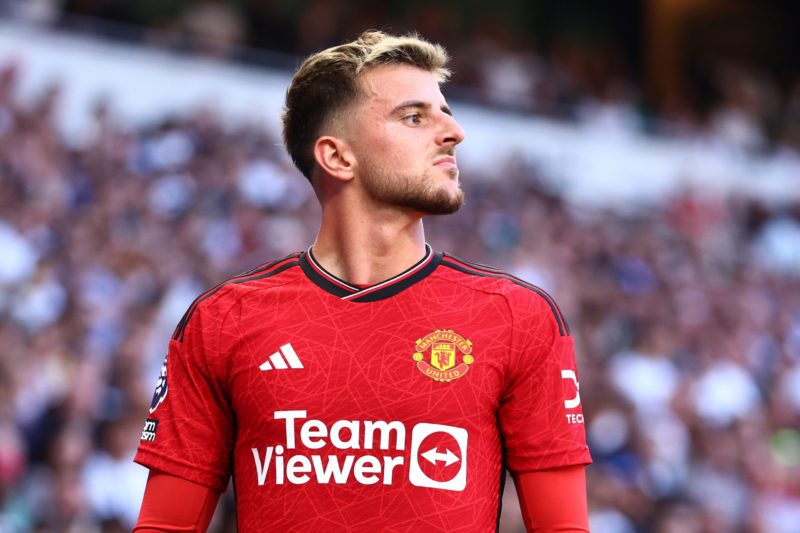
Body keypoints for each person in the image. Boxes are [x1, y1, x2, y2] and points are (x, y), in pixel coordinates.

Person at [133, 30, 591, 532]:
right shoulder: (223, 320)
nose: (453, 132)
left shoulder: (517, 317)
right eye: (415, 116)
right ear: (337, 157)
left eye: (446, 112)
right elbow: (165, 525)